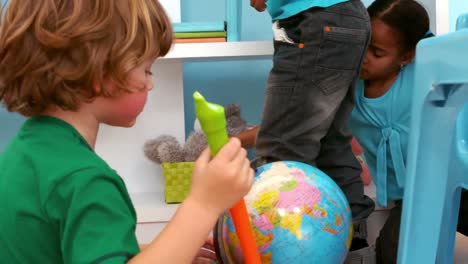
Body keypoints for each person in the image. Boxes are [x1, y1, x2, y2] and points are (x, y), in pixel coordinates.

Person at [0, 1, 253, 263]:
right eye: (146, 70)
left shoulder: (21, 153)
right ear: (100, 71)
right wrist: (204, 204)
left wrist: (167, 250)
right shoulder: (85, 181)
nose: (150, 83)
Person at [249, 0, 375, 254]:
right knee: (331, 145)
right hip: (344, 16)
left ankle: (291, 254)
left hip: (313, 18)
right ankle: (355, 251)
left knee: (283, 152)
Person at [348, 0, 468, 263]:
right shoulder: (348, 89)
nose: (364, 58)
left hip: (456, 183)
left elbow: (448, 53)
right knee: (394, 254)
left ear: (407, 56)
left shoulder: (423, 73)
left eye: (377, 53)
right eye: (362, 44)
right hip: (412, 199)